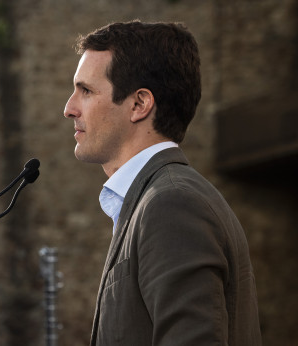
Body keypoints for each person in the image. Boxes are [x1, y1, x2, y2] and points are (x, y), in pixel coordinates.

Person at [63, 21, 261, 345]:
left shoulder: (171, 204)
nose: (69, 108)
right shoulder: (155, 199)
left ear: (140, 104)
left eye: (86, 90)